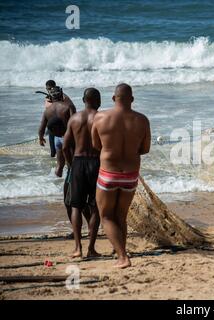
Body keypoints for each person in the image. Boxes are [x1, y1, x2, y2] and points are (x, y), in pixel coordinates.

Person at [92, 83, 151, 268]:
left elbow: (96, 145)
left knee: (106, 217)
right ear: (132, 99)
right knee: (121, 216)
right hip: (130, 174)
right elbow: (145, 149)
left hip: (108, 173)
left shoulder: (100, 117)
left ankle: (123, 257)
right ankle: (121, 253)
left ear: (113, 98)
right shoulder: (142, 120)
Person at [63, 88, 102, 258]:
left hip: (78, 163)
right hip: (97, 163)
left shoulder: (74, 118)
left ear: (83, 100)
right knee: (95, 207)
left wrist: (71, 165)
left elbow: (65, 147)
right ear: (98, 101)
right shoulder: (101, 118)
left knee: (76, 206)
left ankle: (78, 248)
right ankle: (91, 249)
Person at [38, 86, 75, 177]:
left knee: (60, 164)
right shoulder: (68, 106)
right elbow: (75, 123)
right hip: (68, 138)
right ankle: (70, 185)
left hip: (57, 139)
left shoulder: (47, 111)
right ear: (61, 94)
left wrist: (41, 138)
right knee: (73, 164)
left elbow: (42, 127)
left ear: (51, 97)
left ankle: (55, 183)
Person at [44, 80, 75, 158]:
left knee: (68, 150)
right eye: (48, 89)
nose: (50, 90)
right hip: (52, 126)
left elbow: (71, 108)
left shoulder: (63, 96)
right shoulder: (48, 97)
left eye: (51, 88)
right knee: (53, 152)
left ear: (55, 86)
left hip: (63, 127)